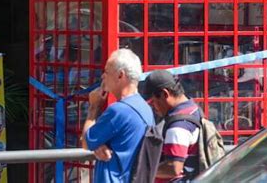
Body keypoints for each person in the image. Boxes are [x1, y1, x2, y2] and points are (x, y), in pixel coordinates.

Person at [82, 48, 154, 183]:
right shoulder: (145, 108)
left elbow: (86, 141)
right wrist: (98, 144)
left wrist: (93, 107)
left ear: (120, 75)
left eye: (106, 72)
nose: (103, 76)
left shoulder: (118, 111)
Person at [142, 70, 201, 182]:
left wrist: (144, 171)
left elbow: (173, 168)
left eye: (153, 101)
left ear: (165, 94)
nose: (153, 107)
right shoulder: (193, 109)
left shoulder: (178, 126)